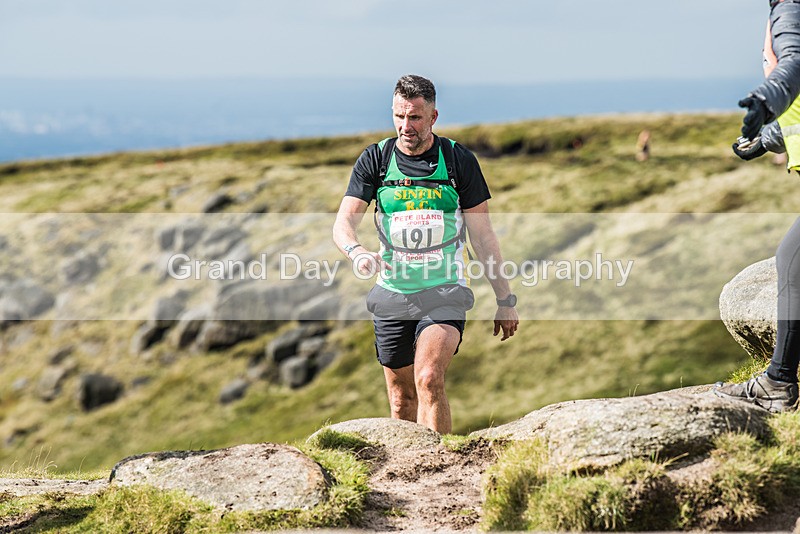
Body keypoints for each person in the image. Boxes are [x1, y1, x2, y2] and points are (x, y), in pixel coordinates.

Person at [333, 74, 520, 433]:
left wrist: (505, 299)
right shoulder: (376, 159)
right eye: (400, 116)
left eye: (415, 117)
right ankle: (410, 479)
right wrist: (357, 253)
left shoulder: (456, 160)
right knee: (401, 399)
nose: (406, 126)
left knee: (429, 377)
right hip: (392, 291)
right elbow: (343, 223)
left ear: (433, 117)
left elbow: (483, 237)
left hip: (445, 290)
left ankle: (440, 467)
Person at [713, 0, 800, 412]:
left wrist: (765, 100)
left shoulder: (791, 8)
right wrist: (764, 139)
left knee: (791, 261)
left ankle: (778, 383)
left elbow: (794, 66)